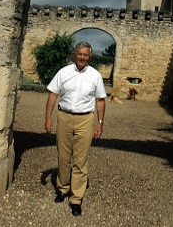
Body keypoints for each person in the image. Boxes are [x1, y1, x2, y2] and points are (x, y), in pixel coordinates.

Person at [45, 41, 106, 216]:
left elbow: (100, 100)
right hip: (64, 117)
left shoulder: (95, 76)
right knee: (63, 156)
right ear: (74, 54)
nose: (82, 57)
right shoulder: (63, 72)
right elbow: (53, 95)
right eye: (79, 54)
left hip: (85, 120)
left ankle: (76, 198)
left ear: (90, 57)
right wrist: (48, 118)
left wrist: (100, 122)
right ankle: (63, 188)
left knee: (80, 160)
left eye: (85, 55)